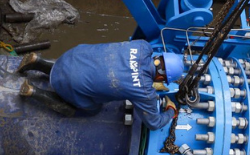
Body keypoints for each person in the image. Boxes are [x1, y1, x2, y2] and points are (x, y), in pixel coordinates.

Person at [17, 40, 183, 130]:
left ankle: (38, 62)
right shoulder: (145, 91)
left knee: (85, 71)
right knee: (92, 110)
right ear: (161, 77)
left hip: (71, 56)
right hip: (70, 83)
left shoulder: (142, 46)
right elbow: (153, 123)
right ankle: (35, 92)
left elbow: (130, 68)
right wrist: (170, 111)